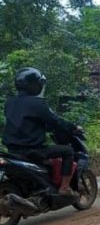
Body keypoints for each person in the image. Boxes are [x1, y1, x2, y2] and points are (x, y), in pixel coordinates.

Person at [2, 67, 81, 197]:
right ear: (34, 85)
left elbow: (25, 121)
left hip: (12, 151)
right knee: (67, 151)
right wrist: (73, 127)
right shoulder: (37, 103)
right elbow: (56, 121)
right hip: (33, 150)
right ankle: (64, 188)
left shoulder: (10, 103)